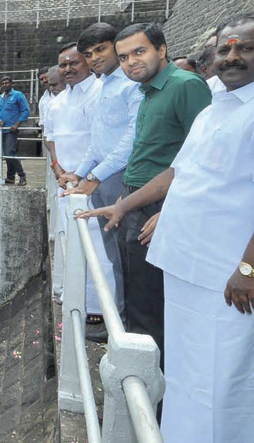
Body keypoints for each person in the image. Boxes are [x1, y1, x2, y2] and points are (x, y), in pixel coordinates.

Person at [77, 13, 254, 440]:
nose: (231, 56)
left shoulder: (192, 90)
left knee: (226, 377)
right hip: (186, 265)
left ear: (161, 50)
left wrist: (248, 269)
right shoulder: (219, 106)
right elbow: (179, 172)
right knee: (186, 372)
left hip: (227, 277)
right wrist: (123, 205)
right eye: (224, 48)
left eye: (244, 47)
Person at [81, 22, 211, 361]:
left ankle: (151, 398)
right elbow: (145, 153)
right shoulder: (146, 91)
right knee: (137, 296)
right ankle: (138, 380)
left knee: (153, 306)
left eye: (139, 52)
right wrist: (123, 203)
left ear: (162, 49)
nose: (130, 62)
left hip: (161, 205)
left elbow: (200, 161)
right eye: (124, 57)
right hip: (137, 199)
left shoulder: (186, 86)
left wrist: (169, 211)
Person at [60, 23, 143, 326]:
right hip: (104, 180)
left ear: (115, 46)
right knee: (114, 257)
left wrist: (92, 176)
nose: (94, 58)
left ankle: (127, 326)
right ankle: (118, 322)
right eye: (88, 53)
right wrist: (79, 173)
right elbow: (100, 140)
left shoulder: (133, 83)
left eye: (100, 50)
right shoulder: (106, 83)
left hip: (124, 180)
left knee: (128, 260)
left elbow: (131, 139)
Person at [45, 43, 116, 337]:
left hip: (93, 182)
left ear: (87, 62)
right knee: (70, 243)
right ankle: (78, 304)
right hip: (67, 182)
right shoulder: (58, 101)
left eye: (74, 63)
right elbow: (51, 137)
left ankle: (99, 311)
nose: (68, 69)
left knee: (97, 248)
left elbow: (103, 143)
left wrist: (86, 175)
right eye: (63, 65)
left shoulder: (101, 93)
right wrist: (58, 167)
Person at [0, 76, 30, 186]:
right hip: (2, 130)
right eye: (3, 83)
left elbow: (25, 110)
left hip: (11, 130)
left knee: (10, 152)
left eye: (7, 83)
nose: (5, 85)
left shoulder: (18, 95)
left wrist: (17, 124)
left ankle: (22, 175)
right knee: (7, 153)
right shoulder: (0, 98)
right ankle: (10, 177)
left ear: (11, 83)